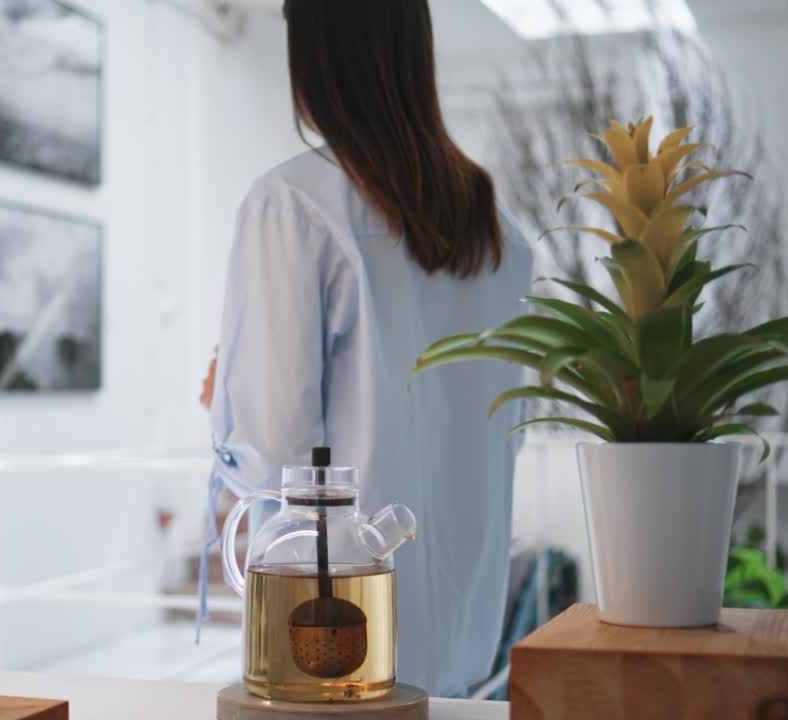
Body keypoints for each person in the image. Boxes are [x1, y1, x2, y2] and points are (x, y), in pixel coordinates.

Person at [201, 0, 533, 698]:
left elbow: (276, 450)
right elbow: (504, 426)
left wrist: (224, 405)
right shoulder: (502, 235)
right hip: (471, 640)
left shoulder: (291, 205)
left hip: (337, 643)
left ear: (316, 61)